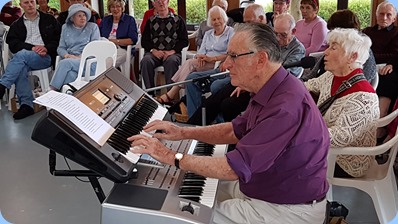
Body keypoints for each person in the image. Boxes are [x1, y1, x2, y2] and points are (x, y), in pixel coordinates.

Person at [128, 23, 329, 224]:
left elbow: (233, 169)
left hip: (286, 209)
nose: (226, 64)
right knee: (182, 191)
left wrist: (169, 155)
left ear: (260, 59)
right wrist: (182, 133)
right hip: (263, 188)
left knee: (181, 217)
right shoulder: (273, 88)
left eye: (233, 56)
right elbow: (234, 130)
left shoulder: (284, 106)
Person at [187, 12, 305, 123]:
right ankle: (191, 127)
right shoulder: (272, 41)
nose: (278, 38)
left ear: (293, 31)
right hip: (252, 79)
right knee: (216, 98)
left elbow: (284, 76)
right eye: (276, 34)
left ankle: (229, 138)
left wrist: (249, 85)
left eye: (283, 35)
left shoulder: (298, 49)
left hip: (267, 89)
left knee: (228, 104)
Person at [304, 28, 379, 178]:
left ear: (353, 57)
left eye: (333, 48)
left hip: (347, 160)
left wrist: (300, 130)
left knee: (283, 155)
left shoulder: (364, 97)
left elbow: (338, 138)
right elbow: (307, 86)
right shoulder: (331, 77)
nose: (325, 52)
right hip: (326, 147)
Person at [182, 4, 267, 119]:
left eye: (249, 22)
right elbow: (232, 53)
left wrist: (217, 60)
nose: (247, 26)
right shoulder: (245, 34)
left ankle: (204, 123)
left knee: (216, 87)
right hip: (223, 68)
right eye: (245, 23)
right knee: (191, 79)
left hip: (234, 74)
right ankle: (195, 119)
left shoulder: (265, 38)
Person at [156, 5, 234, 104]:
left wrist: (213, 58)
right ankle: (180, 99)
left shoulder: (231, 32)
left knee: (190, 65)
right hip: (205, 63)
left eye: (219, 18)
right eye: (213, 19)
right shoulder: (208, 33)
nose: (217, 21)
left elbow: (231, 53)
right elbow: (201, 51)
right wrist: (200, 57)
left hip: (220, 64)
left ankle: (171, 94)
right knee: (191, 71)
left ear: (224, 18)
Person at [0, 0, 60, 120]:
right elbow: (13, 44)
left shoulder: (49, 19)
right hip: (25, 58)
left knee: (21, 56)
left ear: (35, 3)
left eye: (32, 1)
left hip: (44, 57)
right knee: (20, 66)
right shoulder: (16, 25)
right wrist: (31, 48)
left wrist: (46, 48)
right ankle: (27, 106)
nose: (30, 5)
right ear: (21, 5)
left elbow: (58, 39)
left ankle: (3, 85)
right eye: (26, 2)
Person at [301, 9, 377, 83]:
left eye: (332, 31)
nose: (329, 34)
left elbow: (360, 83)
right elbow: (311, 77)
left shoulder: (364, 53)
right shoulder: (333, 50)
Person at [49, 4, 100, 91]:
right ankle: (69, 98)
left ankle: (51, 90)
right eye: (79, 16)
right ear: (72, 18)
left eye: (84, 15)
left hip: (88, 63)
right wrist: (67, 56)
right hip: (70, 62)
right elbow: (60, 48)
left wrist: (80, 57)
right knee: (70, 75)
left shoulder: (93, 27)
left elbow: (95, 48)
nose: (83, 18)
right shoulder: (65, 28)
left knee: (64, 63)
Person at [140, 0, 188, 89]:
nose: (161, 3)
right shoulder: (150, 21)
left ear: (168, 2)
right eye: (158, 1)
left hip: (172, 53)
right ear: (154, 4)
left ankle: (170, 97)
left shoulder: (178, 20)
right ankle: (150, 94)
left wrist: (172, 51)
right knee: (145, 61)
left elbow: (184, 41)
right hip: (154, 54)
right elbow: (144, 41)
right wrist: (153, 50)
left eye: (163, 0)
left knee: (171, 61)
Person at [363, 1, 398, 120]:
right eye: (381, 14)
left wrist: (391, 63)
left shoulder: (397, 32)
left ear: (394, 18)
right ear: (376, 15)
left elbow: (395, 54)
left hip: (387, 67)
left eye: (388, 15)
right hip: (366, 66)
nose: (384, 17)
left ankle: (381, 119)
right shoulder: (366, 32)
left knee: (388, 78)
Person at [99, 0, 138, 68]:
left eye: (118, 6)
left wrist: (114, 41)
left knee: (107, 63)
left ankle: (102, 76)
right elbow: (99, 36)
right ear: (109, 8)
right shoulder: (105, 20)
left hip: (122, 49)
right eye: (112, 7)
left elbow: (133, 40)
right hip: (105, 48)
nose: (115, 9)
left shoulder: (129, 20)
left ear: (122, 8)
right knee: (95, 60)